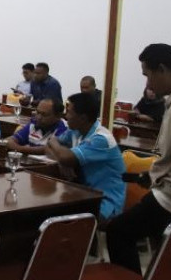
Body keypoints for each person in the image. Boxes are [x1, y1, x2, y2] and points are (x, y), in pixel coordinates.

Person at [106, 43, 171, 280]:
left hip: (169, 198)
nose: (147, 83)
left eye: (148, 75)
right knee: (170, 264)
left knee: (119, 231)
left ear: (162, 70)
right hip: (166, 192)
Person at [46, 92, 125, 221]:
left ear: (82, 118)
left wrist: (57, 148)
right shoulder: (75, 130)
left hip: (105, 203)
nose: (66, 116)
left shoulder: (101, 139)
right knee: (47, 208)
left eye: (69, 112)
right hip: (82, 195)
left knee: (54, 215)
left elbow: (63, 154)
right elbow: (50, 148)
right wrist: (61, 161)